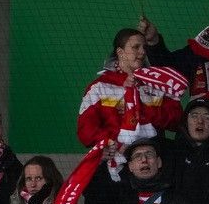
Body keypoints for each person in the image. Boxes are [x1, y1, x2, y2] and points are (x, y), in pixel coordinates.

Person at [76, 29, 183, 163]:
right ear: (120, 52)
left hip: (153, 161)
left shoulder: (156, 83)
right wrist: (110, 143)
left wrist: (141, 109)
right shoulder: (100, 87)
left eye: (144, 47)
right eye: (136, 47)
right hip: (115, 160)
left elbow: (177, 119)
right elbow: (85, 129)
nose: (143, 52)